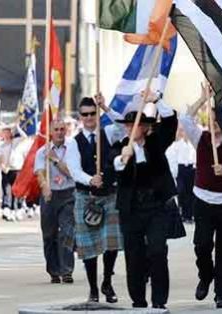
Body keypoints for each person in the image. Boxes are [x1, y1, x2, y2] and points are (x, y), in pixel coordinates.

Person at [179, 83, 222, 309]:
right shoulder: (201, 139)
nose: (214, 125)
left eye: (217, 122)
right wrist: (201, 99)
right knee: (202, 244)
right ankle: (205, 275)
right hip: (203, 201)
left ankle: (221, 293)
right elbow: (185, 120)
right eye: (211, 121)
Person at [113, 93, 178, 309]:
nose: (131, 128)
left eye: (136, 124)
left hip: (156, 207)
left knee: (158, 251)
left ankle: (159, 302)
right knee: (134, 256)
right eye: (129, 125)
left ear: (144, 127)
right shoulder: (120, 148)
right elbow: (112, 171)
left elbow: (170, 121)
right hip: (131, 210)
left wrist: (156, 99)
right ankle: (138, 301)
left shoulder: (156, 142)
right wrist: (122, 159)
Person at [64, 95, 124, 303]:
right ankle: (93, 289)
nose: (89, 117)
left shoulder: (108, 133)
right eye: (85, 114)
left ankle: (107, 281)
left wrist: (106, 107)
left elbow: (124, 126)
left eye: (92, 113)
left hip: (109, 196)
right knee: (89, 247)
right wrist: (91, 180)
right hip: (86, 196)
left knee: (111, 243)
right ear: (80, 117)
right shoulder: (74, 142)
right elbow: (74, 170)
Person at [35, 119, 76, 284]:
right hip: (50, 196)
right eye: (56, 129)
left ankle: (66, 270)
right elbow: (39, 172)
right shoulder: (42, 152)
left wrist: (55, 160)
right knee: (49, 234)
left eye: (62, 129)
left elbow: (72, 172)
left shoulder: (72, 149)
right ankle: (53, 270)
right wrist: (44, 186)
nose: (59, 132)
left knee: (67, 232)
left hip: (67, 194)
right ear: (51, 132)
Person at [166, 125, 197, 222]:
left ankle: (189, 214)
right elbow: (174, 158)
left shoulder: (193, 145)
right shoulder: (177, 145)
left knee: (191, 192)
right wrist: (174, 172)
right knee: (182, 191)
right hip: (181, 168)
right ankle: (183, 212)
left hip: (191, 168)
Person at [0, 126, 27, 221]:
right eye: (4, 132)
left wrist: (18, 128)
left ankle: (16, 209)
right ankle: (7, 209)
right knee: (7, 190)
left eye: (8, 131)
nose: (7, 134)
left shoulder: (16, 142)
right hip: (6, 170)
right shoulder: (1, 145)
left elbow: (25, 137)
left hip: (16, 169)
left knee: (16, 191)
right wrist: (2, 166)